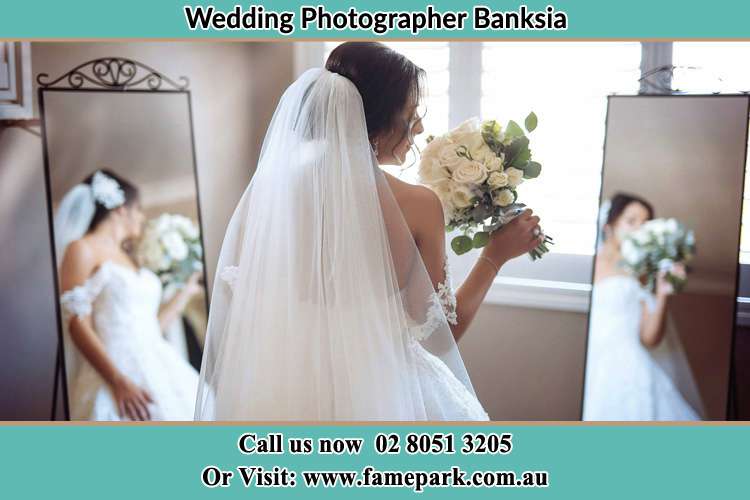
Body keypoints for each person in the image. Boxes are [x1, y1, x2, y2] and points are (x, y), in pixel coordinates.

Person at [195, 42, 542, 420]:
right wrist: (493, 258)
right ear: (375, 120)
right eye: (411, 113)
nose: (420, 126)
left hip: (281, 391)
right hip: (381, 396)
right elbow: (440, 338)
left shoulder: (271, 198)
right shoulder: (418, 205)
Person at [56, 169, 201, 420]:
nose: (142, 217)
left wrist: (185, 293)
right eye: (139, 209)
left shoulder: (129, 258)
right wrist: (117, 380)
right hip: (115, 372)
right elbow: (76, 322)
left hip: (160, 364)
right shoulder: (82, 248)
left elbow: (149, 328)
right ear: (121, 209)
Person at [583, 193, 699, 420]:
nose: (639, 229)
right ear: (610, 226)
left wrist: (663, 294)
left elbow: (650, 338)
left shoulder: (642, 273)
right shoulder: (588, 264)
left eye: (645, 224)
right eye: (631, 221)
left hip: (629, 366)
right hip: (591, 364)